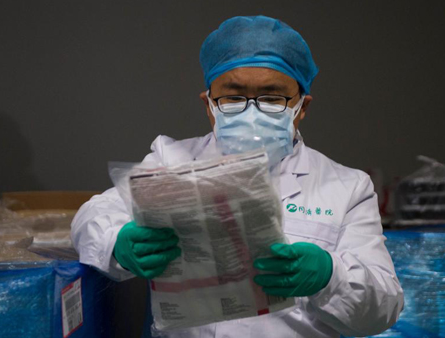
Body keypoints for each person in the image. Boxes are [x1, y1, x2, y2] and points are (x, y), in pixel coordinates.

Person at [71, 15, 404, 338]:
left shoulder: (346, 187)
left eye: (272, 98)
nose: (252, 110)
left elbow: (384, 309)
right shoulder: (169, 160)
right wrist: (119, 243)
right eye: (233, 97)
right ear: (209, 104)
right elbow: (90, 219)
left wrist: (330, 277)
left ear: (302, 107)